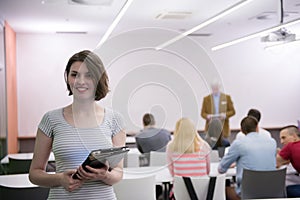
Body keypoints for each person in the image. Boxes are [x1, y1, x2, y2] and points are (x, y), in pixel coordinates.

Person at [29, 50, 126, 199]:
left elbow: (118, 173)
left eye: (88, 75)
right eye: (74, 74)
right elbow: (34, 174)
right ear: (67, 77)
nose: (81, 81)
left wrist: (104, 175)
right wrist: (60, 179)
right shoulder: (50, 119)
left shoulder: (115, 119)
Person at [218, 116, 277, 199]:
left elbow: (221, 169)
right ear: (257, 127)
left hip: (248, 193)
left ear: (241, 130)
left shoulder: (239, 143)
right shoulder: (272, 142)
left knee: (224, 190)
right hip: (272, 190)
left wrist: (235, 163)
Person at [277, 125, 300, 197]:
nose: (281, 142)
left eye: (284, 138)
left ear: (294, 136)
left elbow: (276, 163)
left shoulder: (290, 146)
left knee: (282, 191)